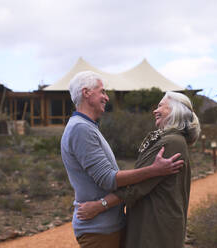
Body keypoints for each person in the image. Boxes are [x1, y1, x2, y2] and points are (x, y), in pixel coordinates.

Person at [61, 71, 185, 248]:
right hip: (99, 230)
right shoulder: (81, 129)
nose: (106, 97)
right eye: (102, 91)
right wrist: (154, 170)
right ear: (86, 92)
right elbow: (108, 179)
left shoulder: (87, 127)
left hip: (106, 226)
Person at [76, 91, 201, 248]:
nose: (155, 111)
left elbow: (138, 186)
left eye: (161, 106)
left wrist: (100, 205)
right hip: (157, 223)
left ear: (175, 111)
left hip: (155, 227)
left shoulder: (171, 142)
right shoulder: (171, 140)